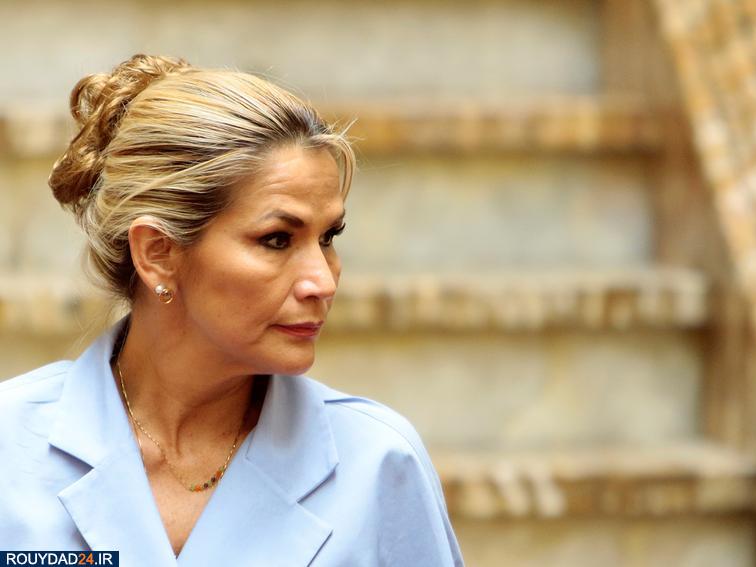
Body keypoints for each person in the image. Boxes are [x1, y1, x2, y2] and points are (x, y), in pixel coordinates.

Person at [0, 54, 464, 566]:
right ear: (158, 253)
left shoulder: (379, 463)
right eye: (277, 239)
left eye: (329, 237)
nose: (323, 281)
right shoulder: (9, 444)